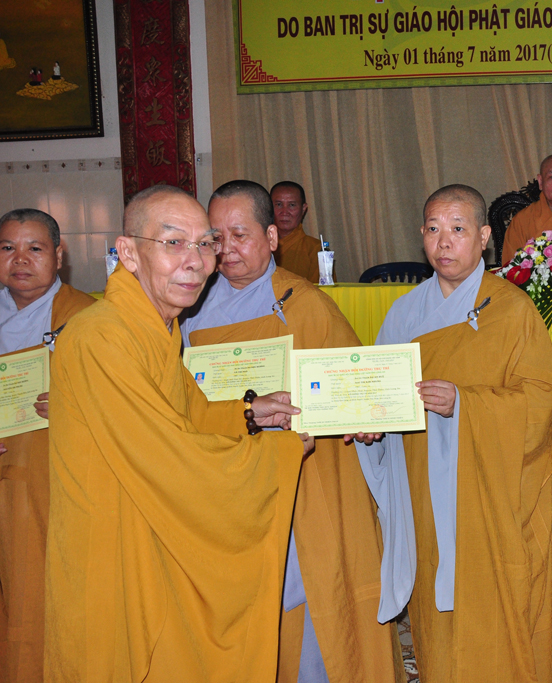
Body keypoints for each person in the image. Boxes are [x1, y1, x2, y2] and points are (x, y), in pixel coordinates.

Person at [45, 185, 314, 682]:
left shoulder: (155, 329)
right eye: (173, 243)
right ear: (128, 253)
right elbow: (167, 453)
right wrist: (276, 454)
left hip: (150, 531)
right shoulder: (100, 336)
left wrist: (250, 412)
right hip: (111, 550)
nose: (196, 261)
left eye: (205, 243)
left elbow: (190, 411)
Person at [181, 180, 402, 683]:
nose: (227, 249)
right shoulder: (189, 308)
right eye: (216, 237)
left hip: (300, 477)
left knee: (308, 592)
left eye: (240, 235)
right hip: (222, 480)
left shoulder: (304, 304)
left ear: (271, 237)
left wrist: (364, 421)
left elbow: (353, 391)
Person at [354, 184, 552, 683]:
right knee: (435, 598)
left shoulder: (512, 309)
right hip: (423, 486)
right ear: (421, 235)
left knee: (494, 596)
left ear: (484, 237)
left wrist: (465, 404)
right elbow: (381, 394)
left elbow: (543, 398)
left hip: (487, 488)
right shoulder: (404, 313)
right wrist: (372, 427)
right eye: (433, 229)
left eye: (457, 228)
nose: (444, 241)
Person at [0, 209, 93, 683]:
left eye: (34, 248)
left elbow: (130, 400)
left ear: (58, 255)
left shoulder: (88, 318)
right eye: (7, 248)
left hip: (51, 487)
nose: (20, 259)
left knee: (36, 599)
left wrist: (78, 403)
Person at [271, 181, 323, 284]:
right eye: (278, 204)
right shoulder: (257, 245)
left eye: (292, 205)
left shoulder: (315, 249)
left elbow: (321, 292)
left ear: (303, 209)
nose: (284, 212)